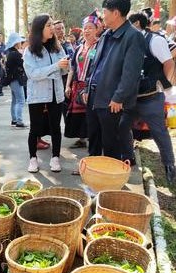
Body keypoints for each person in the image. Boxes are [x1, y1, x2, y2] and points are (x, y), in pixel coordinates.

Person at [82, 0, 145, 160]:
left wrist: (119, 97)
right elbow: (95, 65)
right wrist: (87, 88)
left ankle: (111, 182)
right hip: (94, 96)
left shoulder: (133, 36)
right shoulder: (105, 34)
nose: (103, 16)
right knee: (94, 140)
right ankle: (93, 176)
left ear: (116, 13)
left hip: (112, 101)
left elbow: (131, 73)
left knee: (111, 146)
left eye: (105, 12)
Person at [120, 12, 175, 184]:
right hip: (131, 98)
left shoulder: (155, 40)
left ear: (136, 23)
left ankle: (170, 168)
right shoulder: (128, 41)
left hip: (151, 97)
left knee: (160, 133)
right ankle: (129, 158)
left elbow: (168, 63)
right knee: (122, 127)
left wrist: (168, 87)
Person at [24, 14, 68, 173]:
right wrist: (56, 66)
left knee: (56, 127)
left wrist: (65, 66)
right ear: (39, 29)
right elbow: (33, 74)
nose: (52, 29)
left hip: (56, 93)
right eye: (48, 26)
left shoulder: (57, 47)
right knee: (35, 128)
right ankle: (32, 158)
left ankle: (55, 157)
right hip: (37, 95)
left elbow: (64, 71)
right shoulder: (30, 51)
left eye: (52, 25)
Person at [64, 13, 99, 151]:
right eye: (85, 28)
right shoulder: (79, 47)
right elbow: (72, 68)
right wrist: (67, 85)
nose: (87, 30)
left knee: (91, 115)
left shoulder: (99, 46)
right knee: (79, 115)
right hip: (78, 86)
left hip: (93, 86)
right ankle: (82, 139)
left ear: (97, 29)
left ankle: (95, 142)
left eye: (91, 27)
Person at [5, 32, 28, 129]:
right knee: (20, 100)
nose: (20, 43)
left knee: (15, 100)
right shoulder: (15, 54)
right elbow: (24, 63)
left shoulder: (10, 53)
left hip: (12, 79)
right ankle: (19, 120)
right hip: (16, 79)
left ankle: (15, 119)